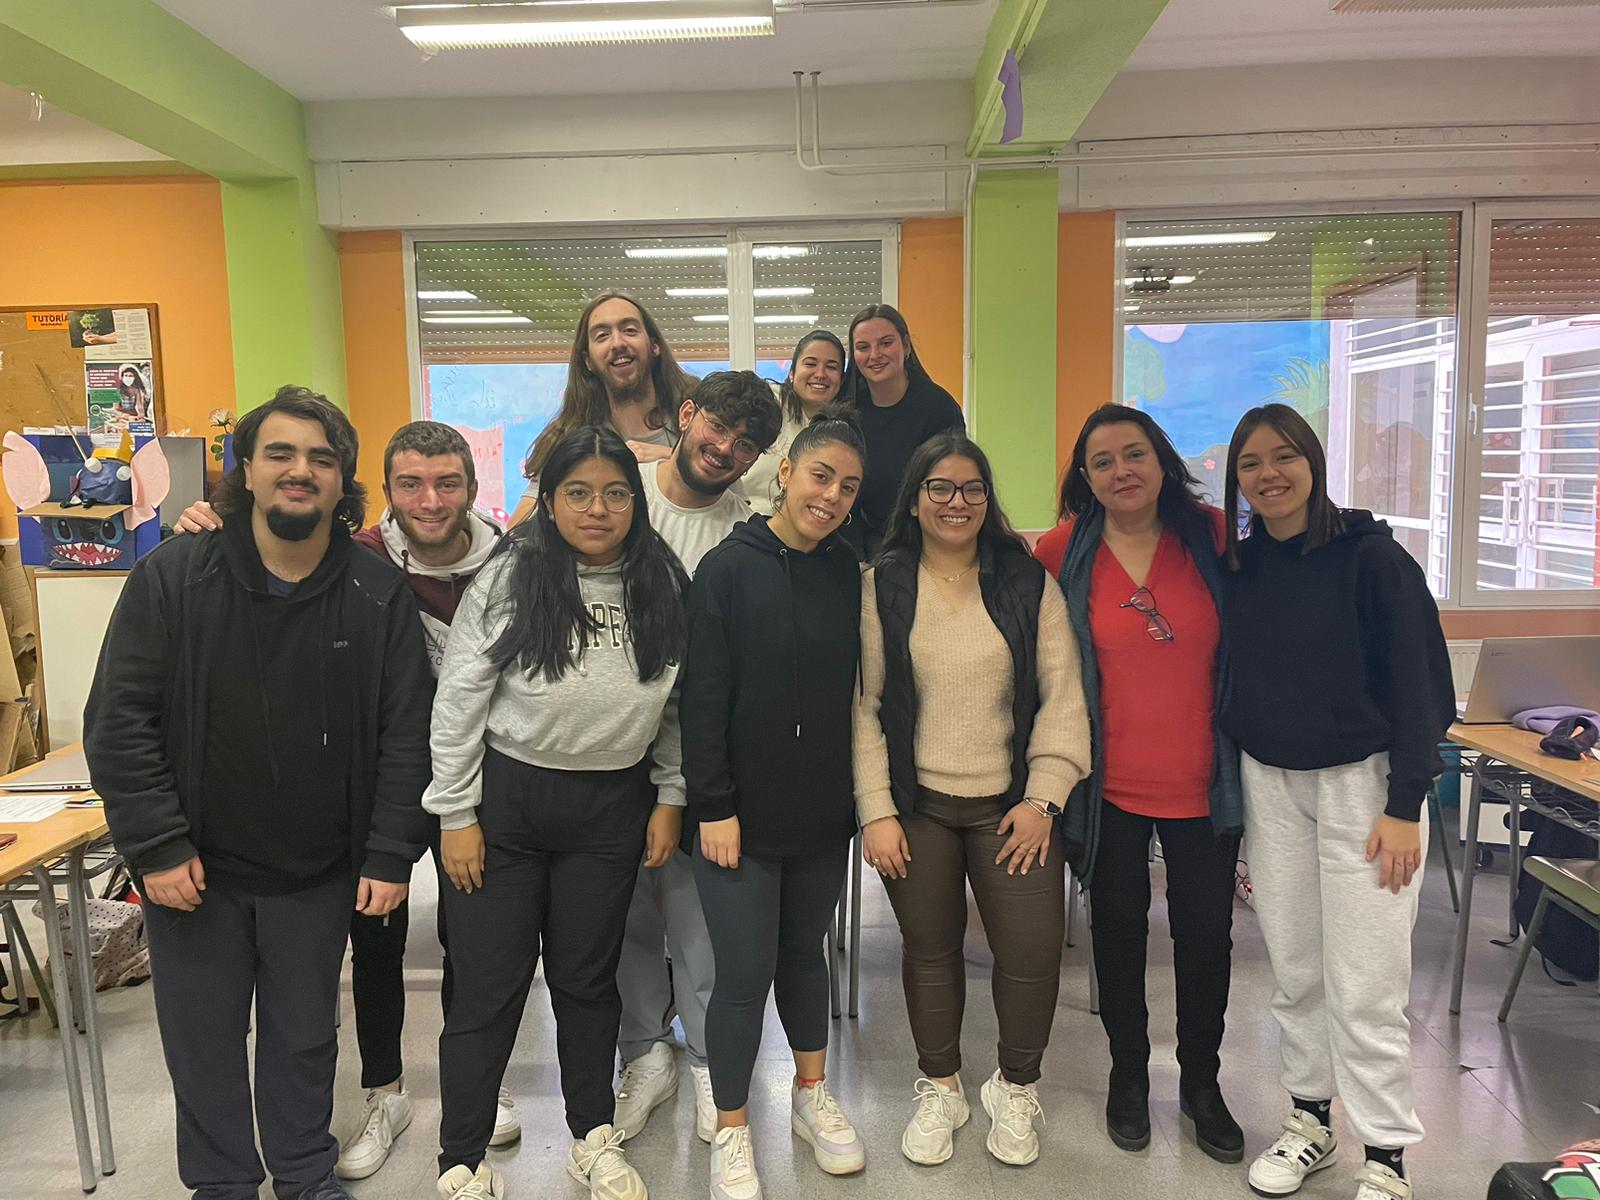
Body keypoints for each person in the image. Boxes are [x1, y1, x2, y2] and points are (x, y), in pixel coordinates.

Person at [83, 386, 435, 1200]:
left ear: (342, 480)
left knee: (305, 1038)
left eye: (321, 458)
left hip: (316, 874)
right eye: (280, 453)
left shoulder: (376, 593)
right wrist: (156, 845)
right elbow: (119, 720)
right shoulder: (176, 577)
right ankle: (222, 1186)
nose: (299, 470)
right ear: (246, 468)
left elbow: (406, 735)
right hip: (193, 874)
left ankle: (304, 1177)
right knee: (202, 1045)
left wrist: (390, 852)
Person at [173, 421, 517, 1181]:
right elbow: (268, 534)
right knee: (377, 941)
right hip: (378, 783)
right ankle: (384, 1092)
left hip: (481, 785)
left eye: (448, 483)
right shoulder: (358, 559)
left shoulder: (512, 565)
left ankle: (478, 1088)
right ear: (385, 491)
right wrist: (213, 515)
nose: (430, 501)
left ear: (473, 488)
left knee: (475, 940)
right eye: (411, 484)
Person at [426, 427, 690, 1200]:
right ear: (549, 502)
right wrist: (455, 813)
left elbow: (678, 703)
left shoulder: (663, 583)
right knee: (488, 988)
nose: (597, 509)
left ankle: (591, 1135)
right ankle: (461, 1157)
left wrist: (670, 794)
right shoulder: (512, 576)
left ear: (636, 502)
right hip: (505, 807)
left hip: (610, 810)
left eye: (615, 493)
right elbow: (460, 698)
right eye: (578, 492)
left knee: (586, 982)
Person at [1220, 404, 1454, 1200]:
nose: (1269, 475)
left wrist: (1406, 803)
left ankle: (1386, 1156)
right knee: (1296, 971)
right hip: (1271, 784)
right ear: (1237, 479)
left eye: (1284, 456)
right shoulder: (1242, 566)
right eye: (1251, 463)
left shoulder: (1372, 559)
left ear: (1313, 463)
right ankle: (1311, 1121)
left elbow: (1423, 687)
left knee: (1366, 980)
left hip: (1366, 790)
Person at [855, 430, 1090, 1170]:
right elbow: (864, 705)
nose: (956, 502)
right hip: (916, 807)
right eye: (940, 488)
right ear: (915, 500)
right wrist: (876, 809)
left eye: (972, 489)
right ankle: (941, 1087)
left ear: (988, 499)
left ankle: (1015, 1088)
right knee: (929, 951)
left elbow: (1063, 696)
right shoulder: (882, 584)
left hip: (1011, 808)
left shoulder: (1026, 582)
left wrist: (1045, 798)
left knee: (1032, 953)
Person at [1045, 404, 1245, 1164]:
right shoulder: (1062, 552)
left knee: (1207, 939)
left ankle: (1202, 1083)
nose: (1121, 471)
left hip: (1205, 785)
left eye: (1134, 454)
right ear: (1085, 477)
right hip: (1109, 789)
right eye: (1102, 461)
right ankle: (1127, 1074)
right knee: (1118, 935)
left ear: (1162, 461)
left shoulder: (1215, 538)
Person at [681, 407, 868, 1200]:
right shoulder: (727, 569)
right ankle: (731, 1127)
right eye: (821, 475)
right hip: (736, 820)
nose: (832, 496)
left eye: (849, 487)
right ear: (785, 473)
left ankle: (810, 1094)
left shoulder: (846, 569)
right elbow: (701, 700)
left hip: (821, 814)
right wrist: (713, 805)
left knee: (803, 955)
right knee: (744, 971)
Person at [610, 370, 784, 1147]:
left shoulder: (746, 534)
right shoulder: (622, 498)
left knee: (697, 913)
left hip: (700, 749)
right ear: (686, 415)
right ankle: (645, 1050)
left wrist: (689, 783)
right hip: (610, 745)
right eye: (717, 428)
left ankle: (714, 1056)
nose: (725, 450)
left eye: (746, 445)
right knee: (625, 910)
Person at [508, 293, 700, 525]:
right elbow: (519, 529)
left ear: (654, 345)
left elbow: (730, 497)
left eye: (630, 330)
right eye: (602, 336)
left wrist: (671, 460)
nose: (617, 343)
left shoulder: (697, 417)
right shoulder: (569, 434)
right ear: (588, 361)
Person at [839, 304, 963, 556]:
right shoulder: (846, 411)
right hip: (858, 540)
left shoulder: (939, 408)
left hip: (926, 541)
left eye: (886, 343)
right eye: (863, 347)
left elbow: (950, 486)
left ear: (905, 346)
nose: (875, 355)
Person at [740, 330, 846, 516]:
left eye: (831, 367)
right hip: (739, 516)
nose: (820, 374)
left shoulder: (840, 430)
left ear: (842, 380)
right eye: (810, 364)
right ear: (792, 372)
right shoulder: (765, 402)